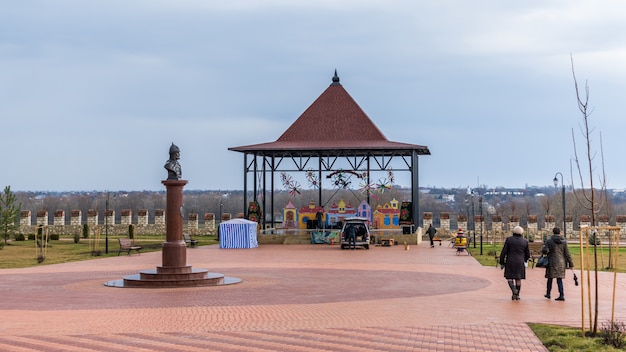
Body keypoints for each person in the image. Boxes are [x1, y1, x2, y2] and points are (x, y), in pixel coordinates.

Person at [542, 227, 574, 301]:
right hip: (561, 262)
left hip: (552, 262)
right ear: (560, 233)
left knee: (550, 278)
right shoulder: (564, 242)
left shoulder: (549, 241)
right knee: (559, 279)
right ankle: (561, 294)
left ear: (553, 232)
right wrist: (571, 264)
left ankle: (548, 293)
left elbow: (544, 251)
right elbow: (567, 253)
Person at [499, 226, 530, 300]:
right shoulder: (525, 241)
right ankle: (517, 295)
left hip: (510, 261)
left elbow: (504, 252)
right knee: (518, 279)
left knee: (509, 277)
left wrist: (502, 262)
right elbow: (528, 254)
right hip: (520, 261)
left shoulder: (509, 240)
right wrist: (525, 260)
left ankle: (513, 289)